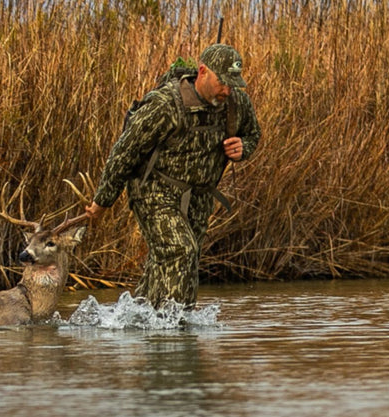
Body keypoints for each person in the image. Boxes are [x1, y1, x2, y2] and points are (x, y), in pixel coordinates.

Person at [83, 43, 261, 308]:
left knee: (179, 264)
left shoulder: (236, 103)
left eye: (233, 84)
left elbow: (253, 134)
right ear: (202, 72)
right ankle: (171, 330)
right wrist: (103, 201)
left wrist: (242, 148)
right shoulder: (165, 104)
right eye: (222, 83)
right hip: (154, 191)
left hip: (199, 197)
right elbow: (125, 151)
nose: (227, 90)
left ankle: (136, 319)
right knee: (181, 251)